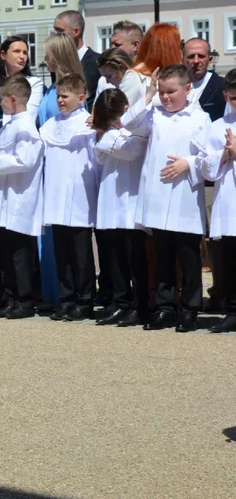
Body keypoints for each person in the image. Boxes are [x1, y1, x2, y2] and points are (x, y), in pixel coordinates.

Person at [122, 64, 212, 332]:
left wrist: (188, 163)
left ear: (187, 89)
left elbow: (209, 157)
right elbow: (127, 123)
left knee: (188, 256)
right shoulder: (154, 113)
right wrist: (147, 95)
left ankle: (191, 308)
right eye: (162, 91)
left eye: (171, 92)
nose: (166, 97)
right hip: (158, 196)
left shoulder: (199, 118)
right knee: (162, 255)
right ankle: (164, 307)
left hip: (184, 195)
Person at [0, 74, 45, 319]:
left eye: (3, 100)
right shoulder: (11, 124)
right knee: (6, 250)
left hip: (19, 196)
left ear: (13, 99)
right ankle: (12, 295)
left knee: (20, 252)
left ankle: (25, 300)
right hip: (5, 194)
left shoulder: (26, 126)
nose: (1, 105)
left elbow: (24, 160)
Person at [40, 73, 97, 321]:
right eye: (58, 96)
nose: (60, 101)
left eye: (65, 96)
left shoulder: (88, 124)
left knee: (81, 254)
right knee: (62, 252)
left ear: (81, 98)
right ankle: (66, 298)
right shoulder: (51, 124)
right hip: (55, 194)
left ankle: (85, 300)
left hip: (79, 195)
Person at [92, 88, 150, 328]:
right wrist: (109, 136)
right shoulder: (112, 134)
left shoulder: (139, 127)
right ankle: (120, 302)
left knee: (135, 257)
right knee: (114, 256)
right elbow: (99, 154)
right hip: (111, 197)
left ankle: (141, 304)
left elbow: (130, 150)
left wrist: (112, 135)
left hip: (132, 199)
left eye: (114, 119)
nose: (114, 125)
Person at [195, 69, 236, 333]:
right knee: (230, 259)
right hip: (230, 201)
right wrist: (223, 155)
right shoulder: (217, 127)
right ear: (225, 95)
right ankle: (232, 309)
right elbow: (204, 166)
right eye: (234, 98)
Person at [54, 10, 101, 109]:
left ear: (76, 32)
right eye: (55, 31)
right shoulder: (58, 64)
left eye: (60, 31)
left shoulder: (97, 62)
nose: (55, 35)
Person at [184, 38, 226, 122]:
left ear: (210, 60)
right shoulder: (176, 86)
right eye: (191, 56)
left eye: (201, 56)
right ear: (183, 60)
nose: (196, 61)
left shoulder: (222, 86)